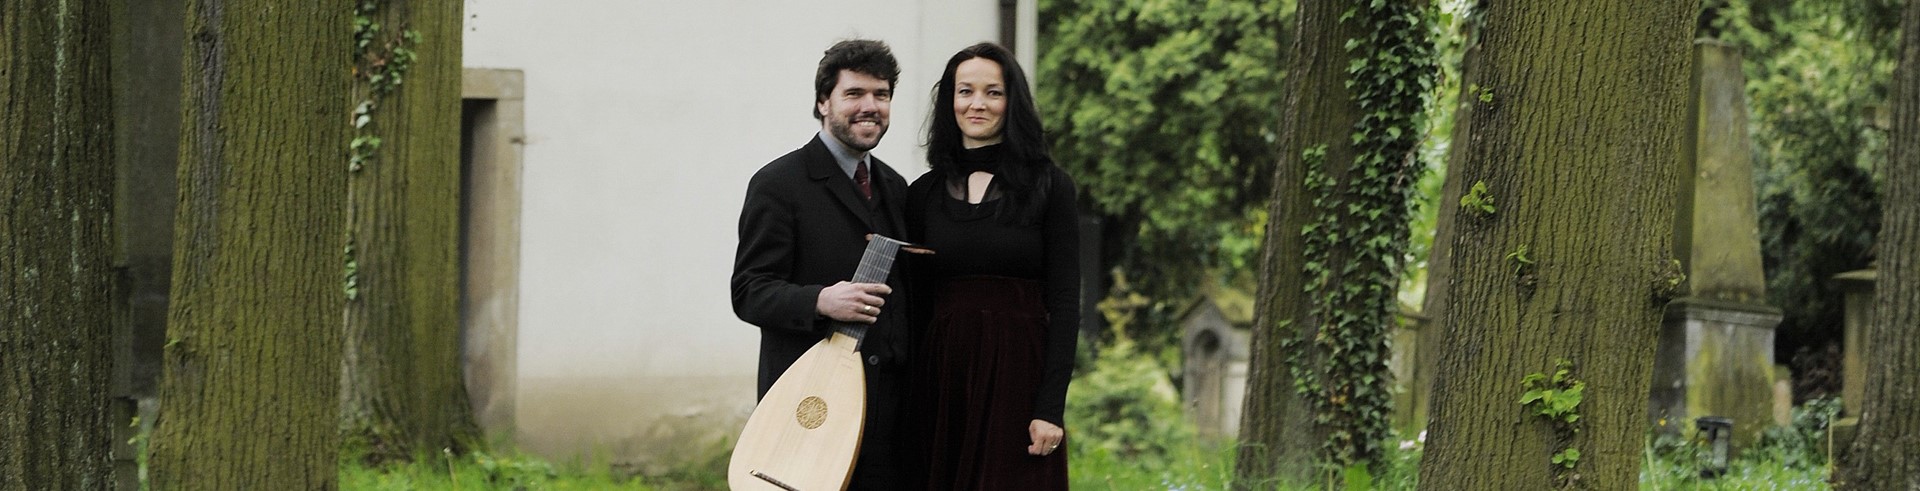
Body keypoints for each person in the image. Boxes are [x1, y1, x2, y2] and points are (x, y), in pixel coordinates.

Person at [730, 39, 913, 490]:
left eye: (881, 94)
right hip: (808, 412)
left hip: (886, 421)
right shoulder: (778, 184)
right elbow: (749, 291)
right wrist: (821, 300)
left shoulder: (896, 188)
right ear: (822, 102)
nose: (870, 106)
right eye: (854, 94)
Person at [907, 42, 1079, 490]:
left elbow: (1065, 303)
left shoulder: (1051, 187)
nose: (977, 103)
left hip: (1020, 379)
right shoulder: (922, 195)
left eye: (993, 92)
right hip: (943, 379)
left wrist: (1050, 408)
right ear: (950, 101)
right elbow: (915, 305)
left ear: (1012, 101)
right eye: (965, 91)